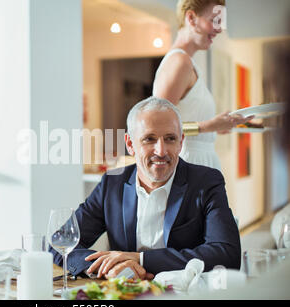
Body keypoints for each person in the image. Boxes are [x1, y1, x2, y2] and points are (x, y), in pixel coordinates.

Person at [51, 97, 241, 279]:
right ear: (130, 144)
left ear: (181, 142)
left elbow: (227, 255)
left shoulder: (206, 182)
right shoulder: (112, 184)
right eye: (149, 139)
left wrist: (141, 260)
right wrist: (109, 267)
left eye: (170, 139)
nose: (161, 151)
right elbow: (59, 244)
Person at [152, 0, 251, 170]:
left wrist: (219, 125)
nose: (219, 29)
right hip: (188, 166)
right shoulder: (179, 62)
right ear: (191, 18)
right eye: (214, 20)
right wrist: (211, 125)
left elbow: (182, 123)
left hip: (198, 163)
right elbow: (157, 126)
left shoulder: (187, 63)